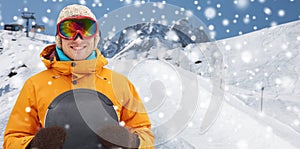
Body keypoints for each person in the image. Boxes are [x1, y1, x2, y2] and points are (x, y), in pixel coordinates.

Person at [3, 4, 154, 149]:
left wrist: (132, 142)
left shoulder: (119, 84)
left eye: (86, 30)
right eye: (68, 30)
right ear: (59, 39)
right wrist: (34, 144)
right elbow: (12, 140)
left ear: (95, 38)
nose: (78, 39)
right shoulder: (35, 85)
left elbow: (145, 134)